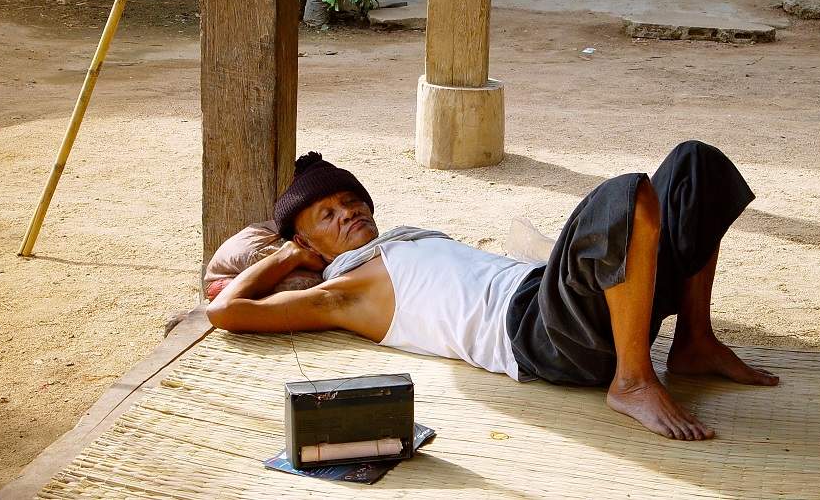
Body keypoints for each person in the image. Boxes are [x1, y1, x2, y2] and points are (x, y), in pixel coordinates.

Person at [206, 142, 779, 441]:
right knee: (627, 196)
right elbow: (225, 310)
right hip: (540, 335)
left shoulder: (399, 243)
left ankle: (694, 343)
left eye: (351, 201)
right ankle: (631, 381)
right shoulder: (343, 291)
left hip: (560, 300)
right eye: (326, 216)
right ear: (311, 245)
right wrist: (284, 255)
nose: (347, 213)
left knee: (695, 166)